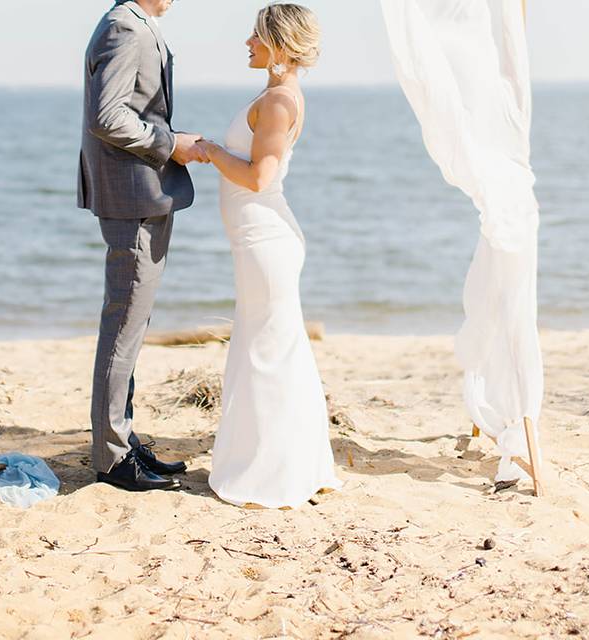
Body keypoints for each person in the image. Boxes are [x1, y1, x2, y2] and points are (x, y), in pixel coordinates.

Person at [196, 3, 342, 508]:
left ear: (279, 43)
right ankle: (289, 463)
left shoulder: (279, 100)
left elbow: (261, 177)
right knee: (273, 349)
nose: (247, 43)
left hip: (266, 241)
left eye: (256, 36)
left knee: (266, 354)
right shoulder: (276, 94)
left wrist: (211, 151)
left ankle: (271, 473)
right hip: (258, 240)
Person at [79, 0, 207, 492]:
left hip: (141, 191)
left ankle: (122, 439)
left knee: (131, 322)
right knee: (124, 324)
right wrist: (170, 144)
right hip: (132, 193)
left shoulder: (131, 23)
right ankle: (112, 457)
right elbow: (107, 117)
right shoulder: (123, 27)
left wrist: (172, 139)